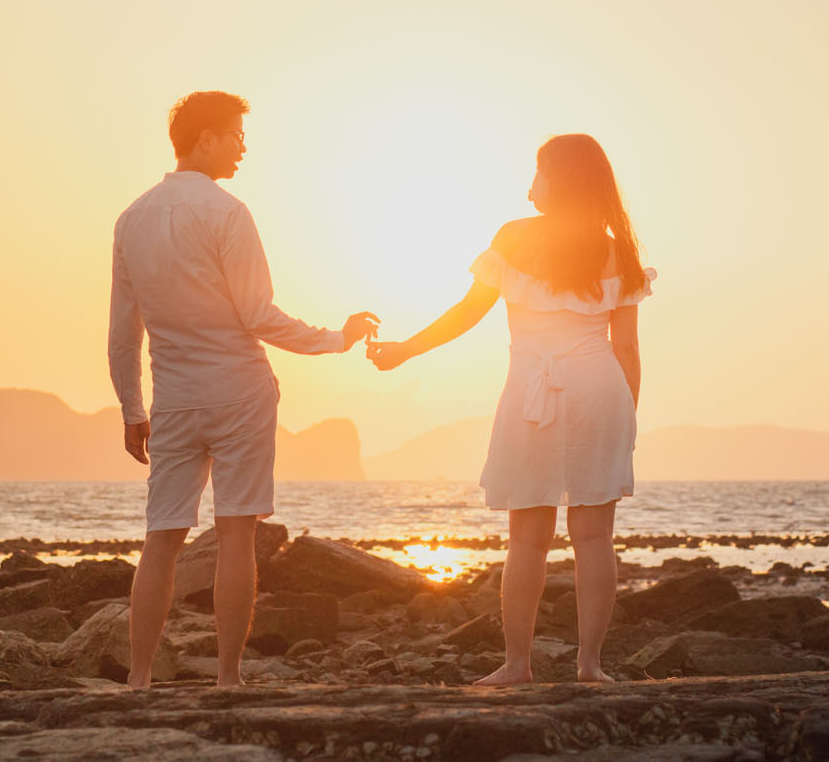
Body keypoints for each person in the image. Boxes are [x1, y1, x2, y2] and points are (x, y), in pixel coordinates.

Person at [109, 90, 380, 688]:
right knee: (237, 533)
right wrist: (337, 337)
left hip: (174, 400)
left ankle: (139, 681)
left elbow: (122, 332)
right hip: (239, 393)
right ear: (204, 139)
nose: (243, 147)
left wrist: (132, 410)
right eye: (234, 135)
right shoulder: (229, 213)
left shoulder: (131, 219)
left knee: (161, 539)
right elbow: (258, 314)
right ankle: (228, 679)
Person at [367, 134, 652, 684]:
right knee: (595, 538)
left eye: (539, 170)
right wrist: (629, 418)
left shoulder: (514, 238)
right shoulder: (617, 249)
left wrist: (404, 350)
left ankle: (517, 665)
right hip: (602, 392)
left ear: (560, 178)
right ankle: (590, 665)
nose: (530, 182)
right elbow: (628, 348)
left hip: (531, 395)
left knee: (527, 539)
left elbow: (466, 313)